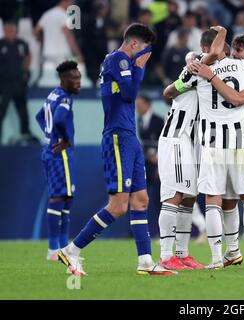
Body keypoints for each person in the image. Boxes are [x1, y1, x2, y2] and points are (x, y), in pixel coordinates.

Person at [58, 23, 175, 276]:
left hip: (129, 136)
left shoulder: (120, 61)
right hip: (117, 138)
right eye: (144, 49)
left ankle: (145, 261)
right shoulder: (119, 59)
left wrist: (137, 67)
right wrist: (139, 67)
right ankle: (72, 250)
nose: (145, 54)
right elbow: (130, 93)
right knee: (119, 206)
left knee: (141, 200)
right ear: (134, 44)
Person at [165, 28, 244, 269]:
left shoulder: (198, 68)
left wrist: (198, 68)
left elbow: (169, 92)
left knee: (215, 200)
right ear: (227, 49)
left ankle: (221, 257)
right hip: (242, 141)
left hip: (213, 141)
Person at [157, 27, 226, 270]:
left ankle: (182, 253)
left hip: (193, 141)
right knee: (174, 196)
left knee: (188, 198)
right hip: (177, 136)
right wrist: (224, 31)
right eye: (222, 53)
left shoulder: (206, 70)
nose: (224, 59)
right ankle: (166, 256)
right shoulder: (197, 64)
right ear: (208, 49)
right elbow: (205, 55)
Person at [35, 61, 81, 261]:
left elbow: (39, 116)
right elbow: (61, 119)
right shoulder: (64, 98)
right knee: (59, 198)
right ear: (64, 79)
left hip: (49, 150)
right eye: (75, 78)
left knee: (66, 197)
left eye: (80, 77)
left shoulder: (52, 94)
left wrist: (48, 136)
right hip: (59, 154)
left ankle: (61, 247)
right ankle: (54, 249)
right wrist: (65, 140)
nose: (79, 82)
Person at [0, 20, 32, 143]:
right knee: (2, 111)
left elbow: (28, 56)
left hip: (19, 83)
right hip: (5, 84)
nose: (10, 33)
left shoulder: (21, 43)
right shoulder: (1, 44)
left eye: (12, 30)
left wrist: (25, 70)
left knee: (23, 110)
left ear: (16, 31)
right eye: (7, 30)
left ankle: (25, 134)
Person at [136, 95, 164, 221]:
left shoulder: (159, 120)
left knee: (160, 197)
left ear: (148, 104)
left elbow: (164, 142)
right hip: (147, 163)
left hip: (160, 164)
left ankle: (166, 230)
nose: (138, 108)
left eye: (140, 104)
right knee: (143, 195)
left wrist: (159, 160)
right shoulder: (139, 120)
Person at [34, 0, 84, 64]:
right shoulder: (64, 15)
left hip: (48, 54)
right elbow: (69, 35)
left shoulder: (47, 14)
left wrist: (42, 40)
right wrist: (78, 54)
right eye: (71, 3)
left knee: (48, 73)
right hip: (62, 54)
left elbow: (36, 31)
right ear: (65, 1)